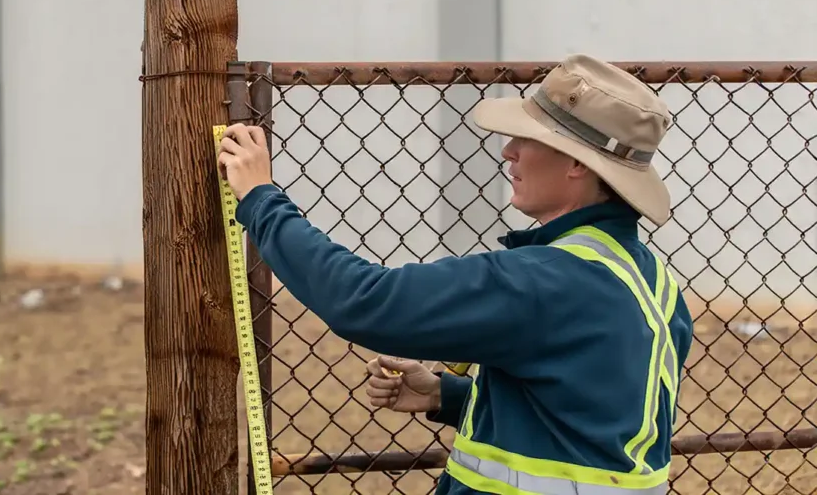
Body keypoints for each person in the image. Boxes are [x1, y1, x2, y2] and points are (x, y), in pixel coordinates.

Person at [216, 53, 694, 495]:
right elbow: (585, 420)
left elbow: (363, 301)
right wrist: (449, 396)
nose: (509, 151)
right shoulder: (653, 283)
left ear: (575, 164)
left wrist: (262, 200)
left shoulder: (544, 281)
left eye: (528, 140)